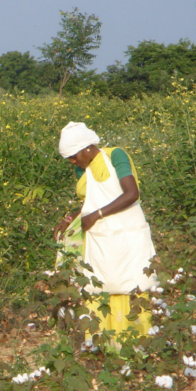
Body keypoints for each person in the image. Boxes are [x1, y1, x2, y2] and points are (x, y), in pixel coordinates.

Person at [54, 122, 157, 344]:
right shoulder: (82, 168)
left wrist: (96, 215)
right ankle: (102, 346)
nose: (72, 162)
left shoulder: (115, 156)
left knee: (131, 287)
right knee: (99, 289)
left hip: (128, 236)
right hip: (100, 239)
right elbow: (92, 200)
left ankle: (135, 347)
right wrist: (70, 218)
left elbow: (131, 194)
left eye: (73, 157)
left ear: (86, 148)